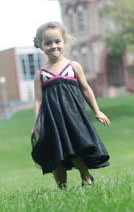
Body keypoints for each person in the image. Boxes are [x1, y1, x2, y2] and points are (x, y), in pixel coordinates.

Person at [31, 21, 110, 188]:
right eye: (48, 43)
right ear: (40, 46)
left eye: (57, 41)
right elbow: (38, 100)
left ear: (64, 41)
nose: (53, 46)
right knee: (56, 156)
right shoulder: (40, 74)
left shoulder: (73, 66)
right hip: (52, 121)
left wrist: (97, 111)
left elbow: (86, 89)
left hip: (73, 117)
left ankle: (86, 179)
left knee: (76, 151)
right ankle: (62, 188)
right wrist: (37, 124)